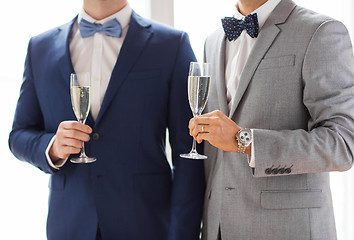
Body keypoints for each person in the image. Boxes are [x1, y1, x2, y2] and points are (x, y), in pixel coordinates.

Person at [9, 0, 205, 239]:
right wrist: (52, 147)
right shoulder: (39, 47)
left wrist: (184, 234)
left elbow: (189, 156)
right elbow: (19, 134)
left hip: (147, 226)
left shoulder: (172, 45)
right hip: (69, 226)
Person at [189, 0, 354, 239]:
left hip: (286, 229)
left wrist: (243, 141)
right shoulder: (213, 41)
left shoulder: (320, 31)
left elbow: (342, 144)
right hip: (219, 229)